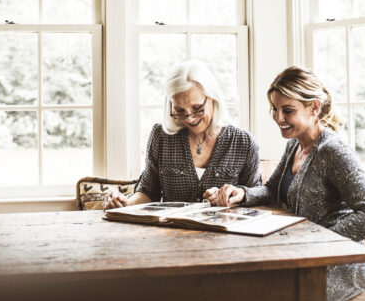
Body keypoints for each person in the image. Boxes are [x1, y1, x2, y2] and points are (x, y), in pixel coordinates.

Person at [205, 66, 365, 301]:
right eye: (274, 108)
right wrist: (243, 194)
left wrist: (317, 238)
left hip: (335, 268)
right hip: (302, 258)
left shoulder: (333, 151)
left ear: (314, 107)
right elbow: (272, 190)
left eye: (287, 110)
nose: (278, 118)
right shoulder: (296, 144)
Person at [105, 61, 261, 208]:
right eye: (180, 111)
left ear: (213, 98)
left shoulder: (244, 143)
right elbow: (148, 191)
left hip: (227, 234)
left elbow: (256, 197)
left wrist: (231, 197)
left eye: (197, 108)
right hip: (172, 234)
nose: (190, 118)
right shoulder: (161, 136)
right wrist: (125, 204)